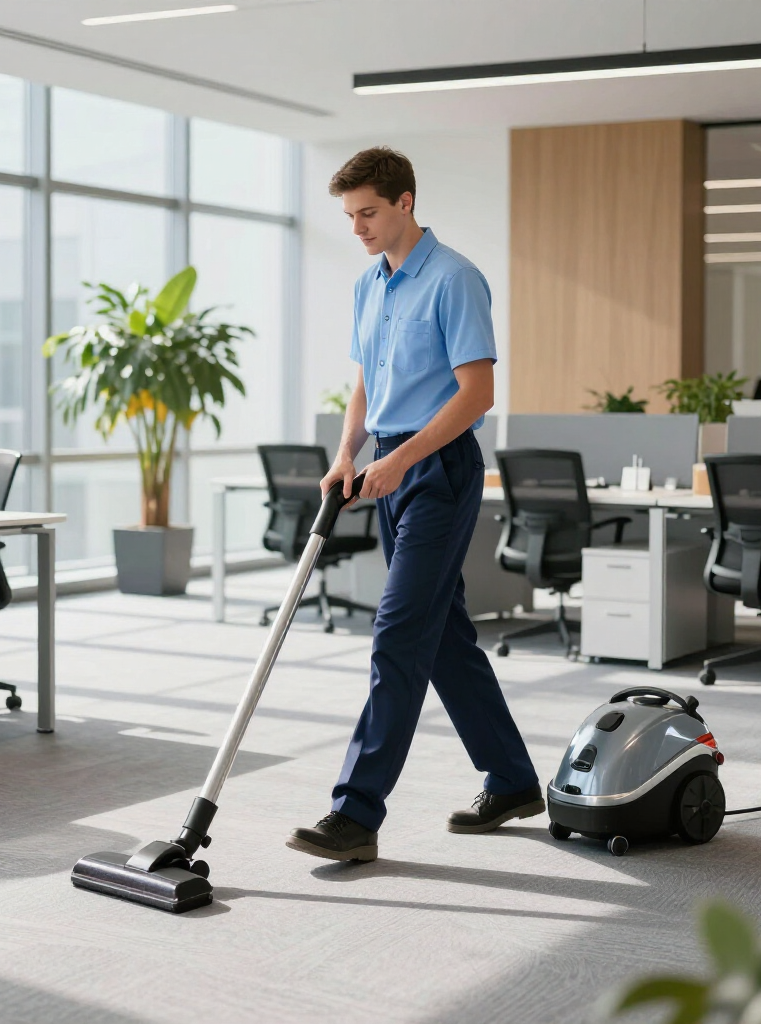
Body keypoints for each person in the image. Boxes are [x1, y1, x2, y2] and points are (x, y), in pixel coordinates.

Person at [286, 147, 542, 863]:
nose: (357, 227)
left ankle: (355, 812)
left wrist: (401, 459)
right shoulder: (369, 285)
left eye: (368, 212)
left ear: (405, 202)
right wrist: (348, 452)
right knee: (443, 635)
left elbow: (477, 394)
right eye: (349, 215)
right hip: (387, 467)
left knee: (398, 632)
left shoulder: (455, 279)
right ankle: (513, 779)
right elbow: (365, 383)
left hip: (438, 467)